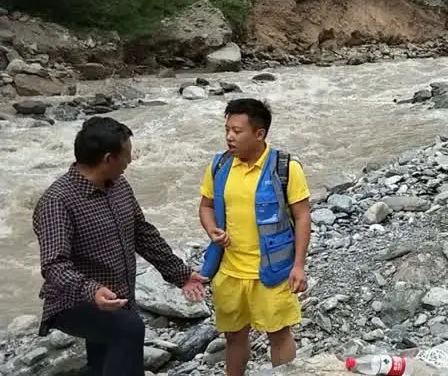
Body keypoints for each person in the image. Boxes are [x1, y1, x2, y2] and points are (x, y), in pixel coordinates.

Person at [32, 116, 208, 376]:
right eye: (127, 155)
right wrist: (92, 291)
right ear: (108, 158)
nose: (130, 161)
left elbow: (142, 234)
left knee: (104, 357)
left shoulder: (119, 187)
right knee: (128, 329)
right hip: (72, 300)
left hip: (115, 296)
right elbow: (54, 265)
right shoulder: (58, 201)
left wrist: (180, 274)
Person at [198, 98, 312, 376]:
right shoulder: (220, 165)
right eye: (227, 129)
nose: (229, 137)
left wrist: (298, 265)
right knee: (234, 336)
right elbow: (206, 206)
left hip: (273, 272)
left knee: (279, 334)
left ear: (259, 134)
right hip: (230, 272)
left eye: (237, 131)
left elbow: (302, 216)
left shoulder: (285, 168)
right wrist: (211, 229)